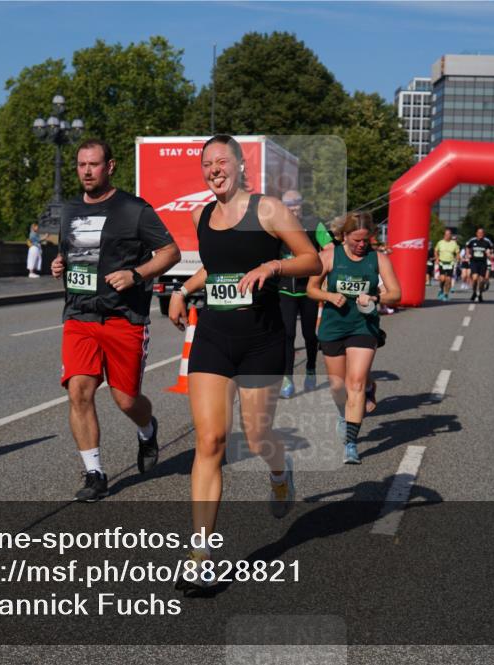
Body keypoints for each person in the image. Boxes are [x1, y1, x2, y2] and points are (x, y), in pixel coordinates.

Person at [167, 135, 320, 594]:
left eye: (222, 162)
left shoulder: (268, 209)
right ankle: (200, 556)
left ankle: (279, 471)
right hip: (213, 336)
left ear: (239, 165)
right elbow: (215, 269)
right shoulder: (201, 215)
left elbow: (310, 259)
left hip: (262, 340)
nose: (214, 169)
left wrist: (272, 269)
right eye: (207, 164)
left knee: (257, 436)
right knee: (210, 440)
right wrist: (181, 289)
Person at [50, 138, 180, 502]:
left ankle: (147, 428)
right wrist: (60, 264)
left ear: (110, 166)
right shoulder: (70, 210)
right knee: (79, 391)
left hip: (125, 318)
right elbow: (71, 253)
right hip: (80, 316)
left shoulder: (133, 209)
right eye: (80, 165)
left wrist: (136, 275)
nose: (86, 171)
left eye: (93, 165)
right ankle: (95, 472)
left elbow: (171, 252)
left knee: (126, 400)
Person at [308, 211, 400, 465]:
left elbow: (396, 293)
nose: (361, 245)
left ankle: (351, 443)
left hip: (364, 325)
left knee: (355, 383)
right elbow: (311, 289)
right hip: (333, 326)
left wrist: (374, 298)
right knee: (338, 387)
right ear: (343, 236)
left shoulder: (377, 259)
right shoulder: (328, 256)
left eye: (365, 240)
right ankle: (344, 412)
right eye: (356, 240)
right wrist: (329, 297)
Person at [277, 190, 324, 399]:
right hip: (285, 289)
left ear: (302, 204)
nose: (292, 207)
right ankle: (287, 379)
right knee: (287, 335)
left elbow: (330, 248)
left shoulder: (315, 224)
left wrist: (320, 273)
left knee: (308, 335)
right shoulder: (277, 227)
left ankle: (311, 369)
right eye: (288, 204)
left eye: (296, 203)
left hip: (308, 290)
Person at [465, 228, 494, 303]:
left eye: (482, 233)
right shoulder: (472, 240)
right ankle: (474, 292)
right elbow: (467, 247)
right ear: (476, 233)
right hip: (474, 262)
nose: (480, 234)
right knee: (474, 278)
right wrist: (468, 254)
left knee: (481, 281)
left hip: (483, 263)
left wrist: (489, 253)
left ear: (483, 234)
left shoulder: (487, 241)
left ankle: (480, 294)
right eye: (479, 233)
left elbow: (491, 249)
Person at [433, 229, 460, 301]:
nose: (448, 236)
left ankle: (446, 294)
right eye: (446, 234)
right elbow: (435, 251)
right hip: (442, 262)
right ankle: (441, 290)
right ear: (444, 235)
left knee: (448, 280)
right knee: (442, 279)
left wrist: (457, 259)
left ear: (451, 235)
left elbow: (457, 253)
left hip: (450, 263)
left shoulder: (454, 243)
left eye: (449, 234)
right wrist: (437, 258)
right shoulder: (440, 242)